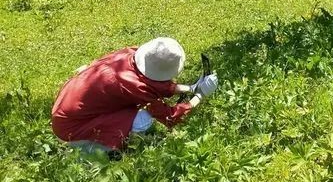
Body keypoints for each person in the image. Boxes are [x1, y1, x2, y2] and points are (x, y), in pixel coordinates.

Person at [51, 37, 219, 155]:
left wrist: (190, 88)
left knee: (131, 109)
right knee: (144, 120)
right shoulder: (137, 87)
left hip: (65, 110)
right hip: (71, 129)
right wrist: (199, 96)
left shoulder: (128, 54)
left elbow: (150, 81)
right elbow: (169, 117)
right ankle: (91, 150)